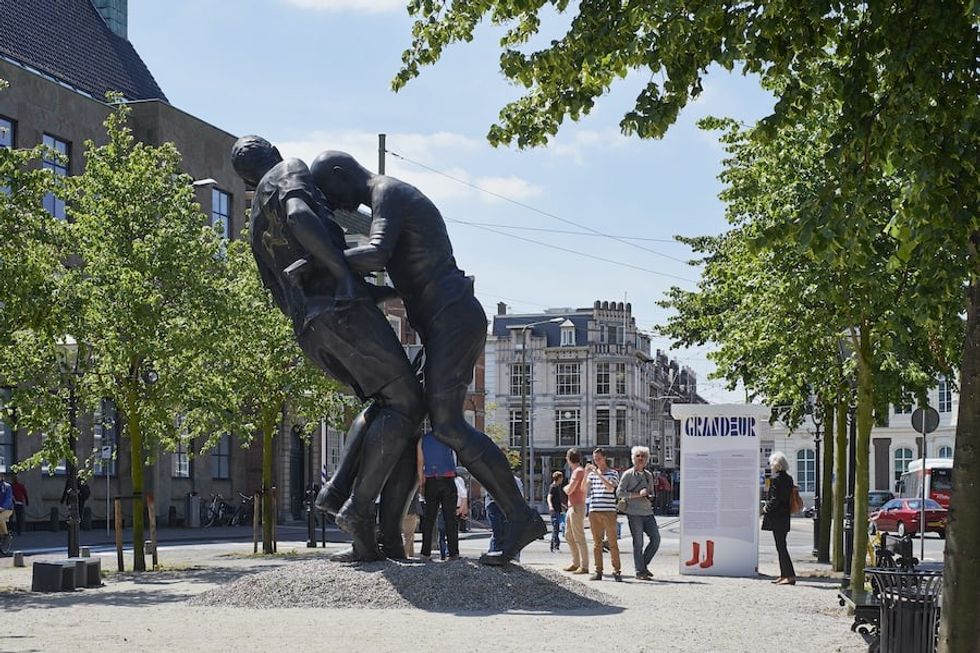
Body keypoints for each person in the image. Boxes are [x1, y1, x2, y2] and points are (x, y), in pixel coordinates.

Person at [310, 151, 546, 565]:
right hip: (441, 320)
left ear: (338, 175)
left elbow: (377, 252)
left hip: (452, 319)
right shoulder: (389, 199)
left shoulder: (390, 193)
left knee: (450, 425)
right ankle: (373, 525)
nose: (337, 206)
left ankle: (520, 517)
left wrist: (320, 260)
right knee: (404, 416)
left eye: (331, 195)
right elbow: (409, 282)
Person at [232, 136, 425, 562]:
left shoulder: (254, 227)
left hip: (311, 328)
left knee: (385, 403)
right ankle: (355, 508)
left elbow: (286, 282)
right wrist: (344, 278)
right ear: (273, 155)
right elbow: (302, 218)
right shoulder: (287, 173)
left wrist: (363, 290)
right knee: (408, 404)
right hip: (340, 312)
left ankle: (364, 524)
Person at [617, 446, 660, 580]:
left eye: (643, 456)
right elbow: (619, 492)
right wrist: (636, 495)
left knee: (656, 540)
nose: (640, 458)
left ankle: (642, 566)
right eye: (638, 456)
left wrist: (650, 496)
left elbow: (651, 492)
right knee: (638, 543)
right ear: (633, 458)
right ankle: (640, 571)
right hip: (634, 513)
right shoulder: (628, 474)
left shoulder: (648, 475)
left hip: (648, 512)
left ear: (646, 459)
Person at [417, 431, 460, 561]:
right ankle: (453, 553)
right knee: (450, 519)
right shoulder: (449, 436)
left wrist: (421, 484)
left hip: (431, 480)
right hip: (448, 479)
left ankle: (425, 553)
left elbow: (420, 462)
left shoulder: (423, 440)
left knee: (429, 519)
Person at [586, 447, 622, 582]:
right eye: (595, 459)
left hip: (609, 511)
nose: (597, 462)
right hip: (594, 510)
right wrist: (586, 474)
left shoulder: (613, 473)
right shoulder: (591, 474)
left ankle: (616, 570)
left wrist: (598, 474)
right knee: (597, 544)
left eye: (599, 459)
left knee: (612, 542)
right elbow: (585, 489)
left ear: (604, 458)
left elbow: (611, 487)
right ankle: (598, 571)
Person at [762, 451, 796, 585]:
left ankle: (789, 576)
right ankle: (784, 575)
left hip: (777, 517)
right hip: (785, 516)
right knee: (781, 546)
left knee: (781, 547)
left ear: (776, 464)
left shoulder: (776, 480)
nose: (771, 466)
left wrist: (766, 508)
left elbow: (775, 499)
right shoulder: (788, 478)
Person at [562, 448, 589, 575]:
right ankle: (576, 562)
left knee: (579, 536)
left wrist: (564, 487)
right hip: (572, 506)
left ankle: (584, 566)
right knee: (568, 535)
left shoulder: (578, 471)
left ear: (568, 459)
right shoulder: (577, 471)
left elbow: (569, 490)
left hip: (577, 506)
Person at [547, 471, 567, 553]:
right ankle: (555, 547)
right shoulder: (553, 487)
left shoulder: (557, 487)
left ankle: (553, 546)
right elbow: (549, 497)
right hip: (554, 511)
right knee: (556, 528)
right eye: (561, 478)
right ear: (559, 478)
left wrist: (564, 506)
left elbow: (557, 500)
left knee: (556, 528)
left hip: (558, 510)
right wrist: (550, 506)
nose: (562, 480)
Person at [402, 489, 423, 558]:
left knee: (410, 534)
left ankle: (411, 553)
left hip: (404, 510)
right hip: (411, 510)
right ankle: (405, 554)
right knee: (408, 535)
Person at [0, 471, 13, 544]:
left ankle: (6, 534)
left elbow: (9, 498)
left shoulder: (7, 486)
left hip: (7, 509)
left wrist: (3, 507)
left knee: (0, 518)